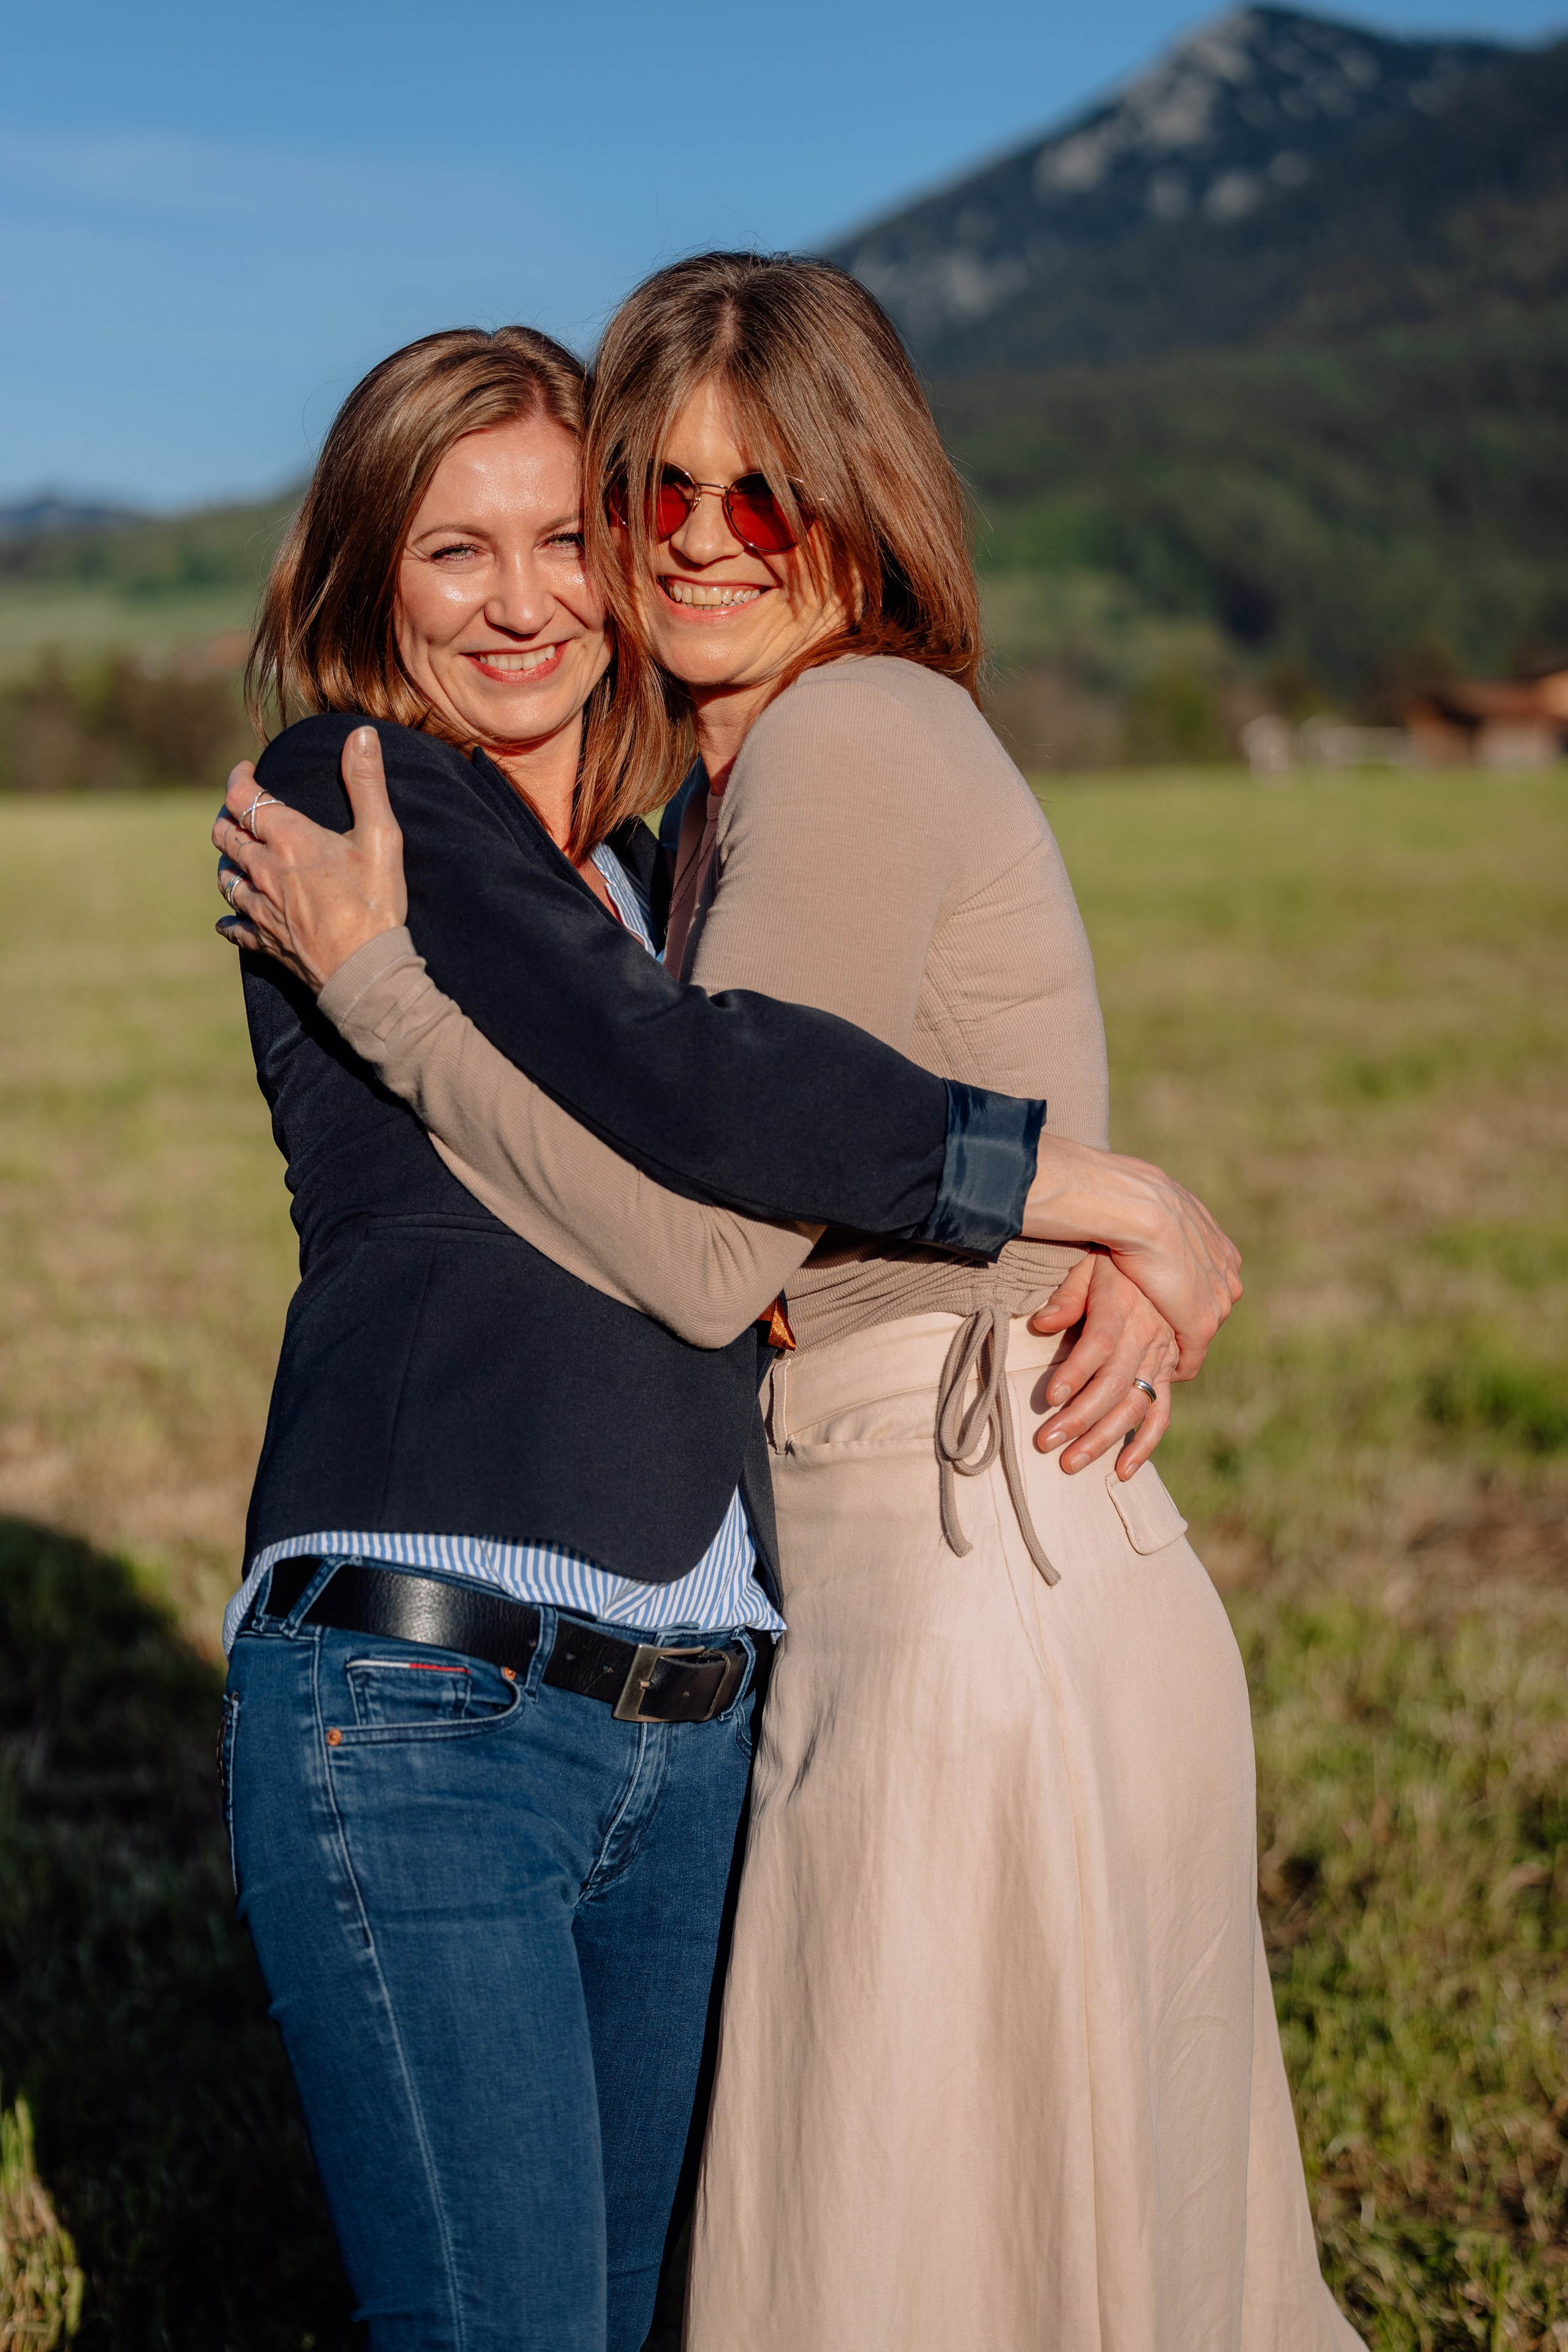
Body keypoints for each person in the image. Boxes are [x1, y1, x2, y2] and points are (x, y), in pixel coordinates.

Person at [218, 254, 1355, 2349]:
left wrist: (1069, 1209)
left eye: (588, 529)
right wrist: (1088, 1188)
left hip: (817, 1638)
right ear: (366, 581)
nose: (631, 567)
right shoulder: (363, 805)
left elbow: (717, 1171)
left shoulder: (772, 788)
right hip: (472, 1683)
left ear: (862, 506)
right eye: (655, 497)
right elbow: (704, 1127)